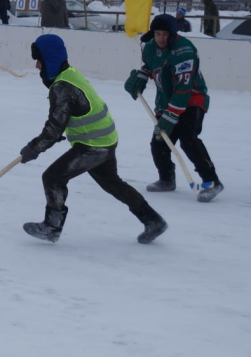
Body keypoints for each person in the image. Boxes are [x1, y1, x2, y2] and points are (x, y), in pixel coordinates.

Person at [20, 34, 168, 244]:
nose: (36, 66)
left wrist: (33, 149)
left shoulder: (62, 87)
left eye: (39, 60)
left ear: (49, 59)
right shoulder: (70, 74)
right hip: (105, 139)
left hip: (93, 146)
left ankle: (52, 226)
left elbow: (53, 128)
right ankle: (153, 220)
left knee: (53, 178)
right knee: (113, 184)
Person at [124, 14, 223, 202]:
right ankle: (166, 179)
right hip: (166, 98)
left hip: (193, 99)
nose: (160, 38)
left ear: (173, 34)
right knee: (159, 140)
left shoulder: (184, 51)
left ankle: (212, 181)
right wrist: (141, 77)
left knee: (188, 140)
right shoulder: (151, 46)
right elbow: (150, 65)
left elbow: (183, 89)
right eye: (157, 34)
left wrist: (170, 117)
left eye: (164, 34)